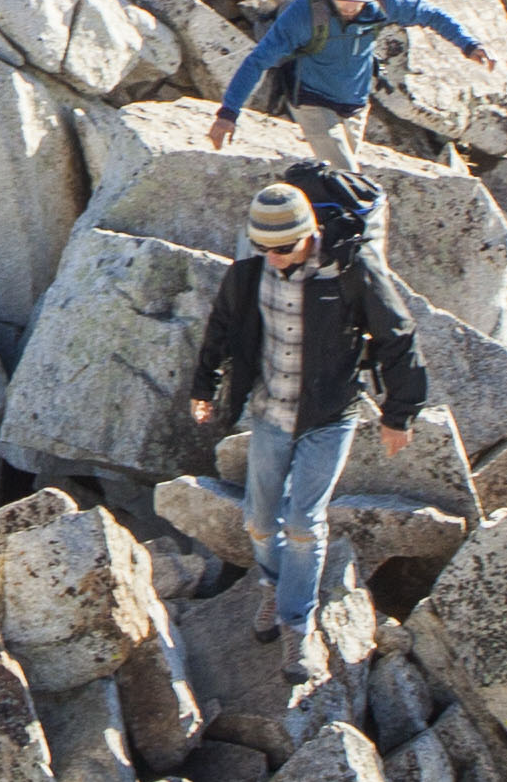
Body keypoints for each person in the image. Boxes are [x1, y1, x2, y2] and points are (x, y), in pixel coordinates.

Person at [179, 174, 430, 696]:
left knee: (303, 523)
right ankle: (272, 585)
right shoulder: (248, 277)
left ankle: (298, 626)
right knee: (257, 520)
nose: (273, 258)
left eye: (284, 248)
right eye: (263, 248)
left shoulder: (351, 272)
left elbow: (397, 336)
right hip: (270, 413)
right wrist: (204, 385)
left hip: (329, 417)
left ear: (309, 234)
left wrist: (398, 414)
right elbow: (221, 329)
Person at [209, 0, 484, 185]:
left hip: (355, 103)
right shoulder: (304, 13)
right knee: (349, 179)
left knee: (334, 180)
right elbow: (257, 61)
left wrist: (468, 44)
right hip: (311, 100)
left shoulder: (383, 2)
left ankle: (311, 217)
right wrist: (228, 113)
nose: (352, 5)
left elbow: (430, 13)